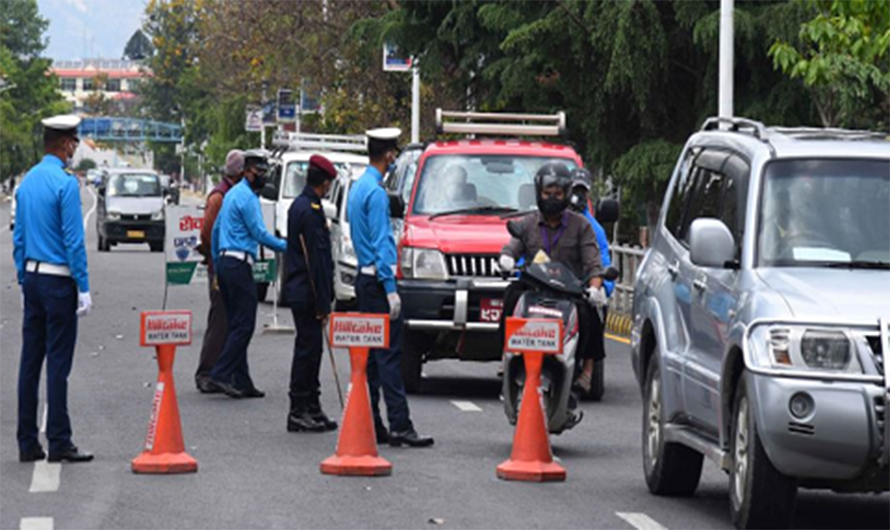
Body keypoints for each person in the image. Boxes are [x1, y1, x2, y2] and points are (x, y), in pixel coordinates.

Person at [14, 115, 93, 463]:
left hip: (32, 276)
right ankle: (59, 440)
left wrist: (22, 275)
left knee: (30, 362)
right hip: (59, 279)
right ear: (64, 144)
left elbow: (18, 238)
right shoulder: (65, 183)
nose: (75, 148)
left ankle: (27, 441)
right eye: (74, 142)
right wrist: (85, 286)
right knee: (58, 364)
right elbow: (74, 242)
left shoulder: (27, 181)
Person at [347, 128, 433, 448]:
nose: (395, 159)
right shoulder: (378, 193)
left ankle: (372, 422)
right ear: (387, 155)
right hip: (378, 282)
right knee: (389, 356)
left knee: (370, 356)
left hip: (362, 278)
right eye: (394, 154)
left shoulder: (358, 188)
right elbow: (383, 242)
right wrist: (390, 288)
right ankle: (400, 424)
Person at [498, 162, 606, 409]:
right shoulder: (527, 224)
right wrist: (506, 259)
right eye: (548, 193)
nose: (553, 199)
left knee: (590, 315)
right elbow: (512, 247)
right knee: (510, 298)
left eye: (558, 194)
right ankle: (506, 359)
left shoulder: (582, 226)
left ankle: (584, 372)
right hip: (533, 289)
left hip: (569, 293)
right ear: (538, 193)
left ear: (567, 194)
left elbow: (593, 264)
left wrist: (596, 288)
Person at [209, 149, 286, 399]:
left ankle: (242, 380)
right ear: (247, 171)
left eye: (265, 172)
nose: (262, 177)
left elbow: (216, 230)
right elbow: (259, 234)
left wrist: (216, 263)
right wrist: (289, 247)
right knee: (244, 325)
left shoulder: (232, 194)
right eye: (259, 172)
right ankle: (221, 373)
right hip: (240, 264)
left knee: (235, 324)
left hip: (225, 263)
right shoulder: (248, 199)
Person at [285, 155, 339, 433]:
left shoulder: (305, 205)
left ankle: (312, 406)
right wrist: (323, 302)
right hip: (307, 291)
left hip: (303, 290)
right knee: (307, 351)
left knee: (313, 349)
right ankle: (298, 409)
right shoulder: (309, 210)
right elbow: (315, 261)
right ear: (326, 182)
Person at [194, 149, 244, 393]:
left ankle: (224, 371)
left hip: (228, 266)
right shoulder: (220, 197)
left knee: (231, 320)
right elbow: (207, 234)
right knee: (220, 320)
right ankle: (206, 372)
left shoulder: (232, 194)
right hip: (219, 267)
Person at [569, 168, 613, 392]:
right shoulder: (549, 219)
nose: (576, 196)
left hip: (580, 286)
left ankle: (587, 369)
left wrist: (602, 288)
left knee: (595, 313)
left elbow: (604, 263)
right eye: (573, 189)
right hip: (551, 282)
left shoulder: (594, 229)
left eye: (581, 191)